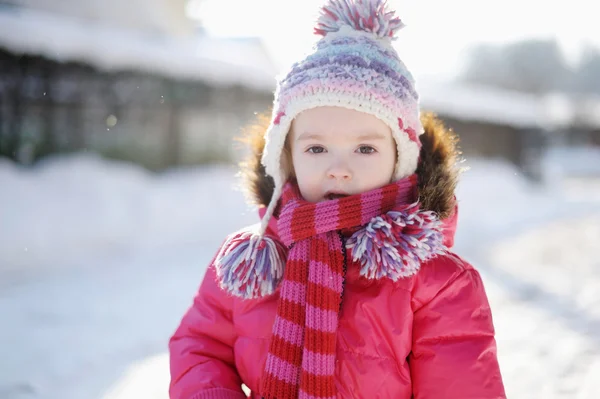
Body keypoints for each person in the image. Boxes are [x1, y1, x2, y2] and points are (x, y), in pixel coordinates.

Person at [169, 0, 506, 398]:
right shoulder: (253, 262)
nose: (339, 169)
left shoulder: (435, 282)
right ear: (286, 157)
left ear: (400, 160)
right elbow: (200, 347)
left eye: (365, 149)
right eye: (316, 149)